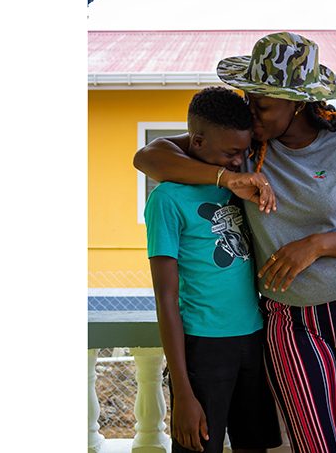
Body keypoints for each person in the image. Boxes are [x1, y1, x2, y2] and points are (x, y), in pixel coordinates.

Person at [135, 32, 336, 453]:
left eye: (262, 104)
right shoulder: (244, 149)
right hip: (290, 320)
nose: (251, 113)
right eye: (249, 99)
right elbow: (148, 157)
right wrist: (226, 177)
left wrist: (317, 244)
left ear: (297, 102)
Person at [144, 86, 281, 453]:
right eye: (231, 153)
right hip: (203, 347)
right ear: (199, 141)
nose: (240, 161)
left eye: (244, 151)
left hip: (253, 338)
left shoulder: (237, 184)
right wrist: (183, 393)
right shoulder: (167, 198)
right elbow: (166, 297)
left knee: (253, 444)